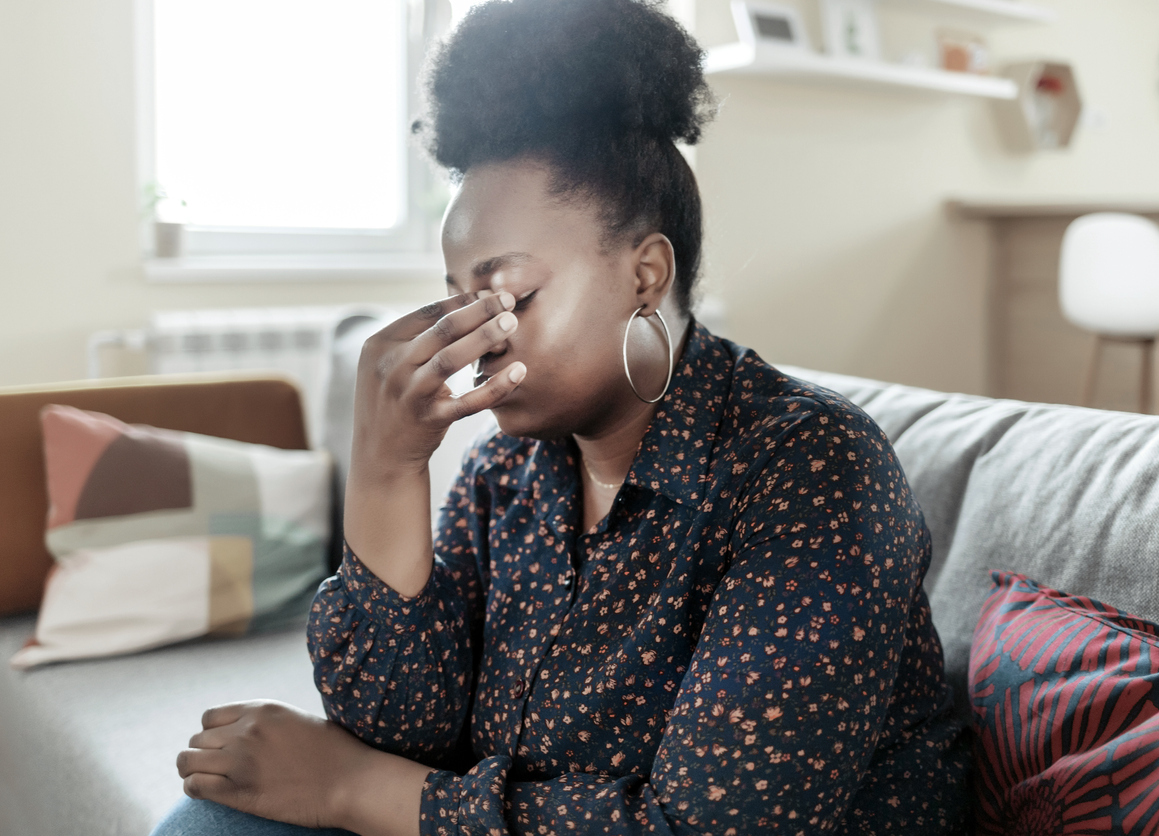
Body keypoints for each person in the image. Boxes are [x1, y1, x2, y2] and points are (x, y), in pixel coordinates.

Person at [153, 0, 970, 833]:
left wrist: (354, 791)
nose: (472, 342)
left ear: (647, 275)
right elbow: (401, 732)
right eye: (455, 303)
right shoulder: (506, 473)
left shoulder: (807, 465)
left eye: (508, 296)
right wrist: (385, 467)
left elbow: (711, 826)